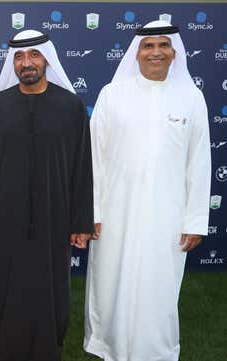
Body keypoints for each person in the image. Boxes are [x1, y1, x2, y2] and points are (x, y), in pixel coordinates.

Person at [84, 20, 211, 361]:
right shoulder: (112, 95)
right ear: (136, 53)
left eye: (163, 46)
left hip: (167, 213)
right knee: (112, 283)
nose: (156, 52)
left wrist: (195, 220)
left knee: (160, 286)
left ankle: (156, 351)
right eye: (148, 46)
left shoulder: (191, 97)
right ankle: (107, 345)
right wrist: (92, 212)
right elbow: (94, 157)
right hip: (115, 212)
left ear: (174, 53)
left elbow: (199, 162)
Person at [0, 29, 94, 361]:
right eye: (19, 57)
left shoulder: (72, 107)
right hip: (4, 211)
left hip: (55, 213)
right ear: (13, 62)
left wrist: (81, 220)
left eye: (34, 55)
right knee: (2, 280)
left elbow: (82, 167)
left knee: (47, 283)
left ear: (46, 59)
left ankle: (46, 345)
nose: (27, 63)